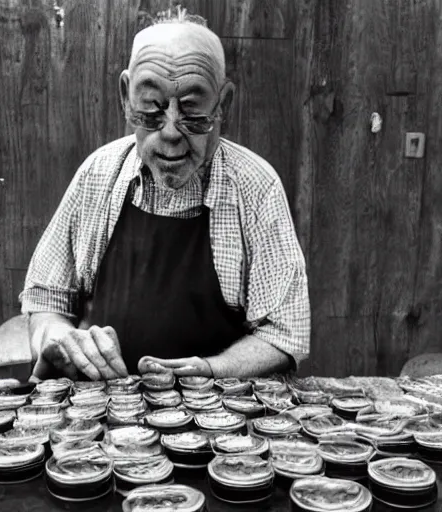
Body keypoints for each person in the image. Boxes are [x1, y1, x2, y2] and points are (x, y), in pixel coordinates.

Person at [19, 8, 310, 381]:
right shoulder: (98, 175)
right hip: (102, 409)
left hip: (217, 416)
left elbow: (284, 334)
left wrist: (211, 370)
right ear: (126, 96)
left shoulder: (254, 187)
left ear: (223, 104)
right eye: (152, 109)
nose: (171, 132)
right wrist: (61, 340)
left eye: (192, 110)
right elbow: (45, 302)